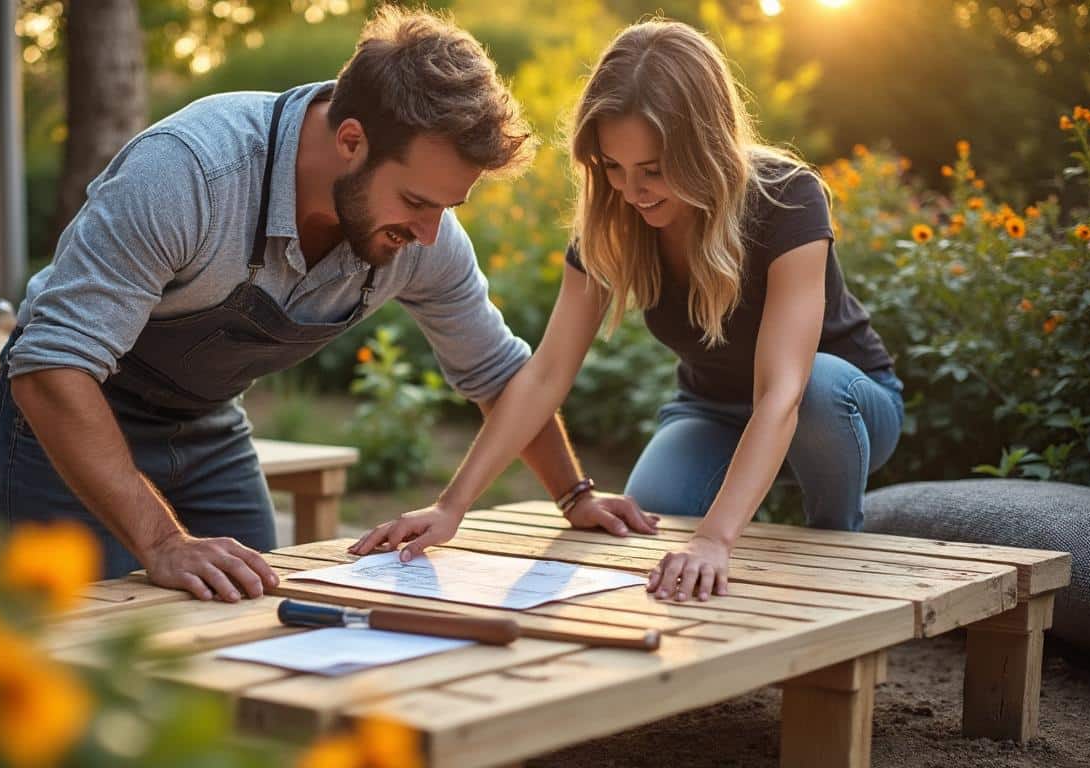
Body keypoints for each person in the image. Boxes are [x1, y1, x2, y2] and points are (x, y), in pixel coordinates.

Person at [0, 8, 650, 601]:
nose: (427, 234)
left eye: (446, 210)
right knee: (88, 659)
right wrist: (162, 542)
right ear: (351, 141)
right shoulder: (188, 174)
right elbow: (53, 366)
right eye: (417, 203)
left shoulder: (427, 234)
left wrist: (574, 494)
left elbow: (500, 376)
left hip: (207, 425)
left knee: (262, 620)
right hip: (70, 417)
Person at [351, 20, 903, 604]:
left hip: (841, 408)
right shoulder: (613, 219)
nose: (633, 191)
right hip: (714, 412)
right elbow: (544, 375)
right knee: (654, 522)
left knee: (814, 386)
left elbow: (783, 393)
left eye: (654, 169)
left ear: (704, 146)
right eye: (615, 167)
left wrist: (716, 539)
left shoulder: (787, 197)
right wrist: (451, 505)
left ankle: (837, 555)